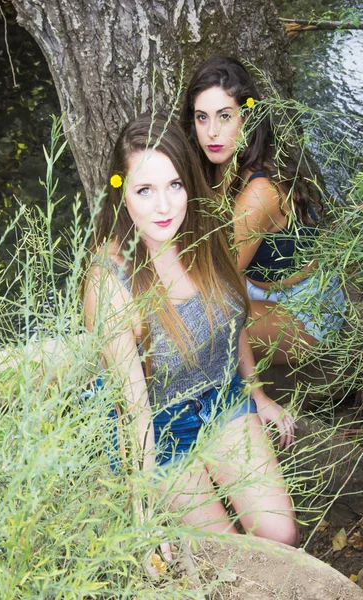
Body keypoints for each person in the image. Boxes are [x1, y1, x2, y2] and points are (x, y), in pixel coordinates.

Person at [83, 113, 299, 548]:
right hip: (162, 430)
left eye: (174, 185)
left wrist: (257, 395)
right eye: (145, 190)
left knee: (281, 536)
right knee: (234, 564)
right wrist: (145, 511)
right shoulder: (111, 279)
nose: (164, 207)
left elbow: (233, 323)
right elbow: (134, 410)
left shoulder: (207, 234)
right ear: (121, 192)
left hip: (223, 399)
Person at [180, 56, 346, 364]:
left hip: (305, 312)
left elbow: (217, 279)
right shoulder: (214, 168)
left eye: (225, 116)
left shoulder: (259, 192)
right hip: (252, 289)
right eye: (202, 118)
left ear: (248, 117)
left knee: (203, 320)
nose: (212, 132)